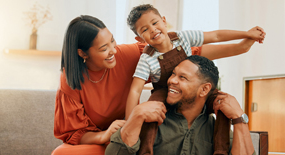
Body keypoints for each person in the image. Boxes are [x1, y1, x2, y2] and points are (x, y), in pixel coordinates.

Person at [52, 15, 259, 155]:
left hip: (131, 127)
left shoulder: (132, 54)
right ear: (82, 53)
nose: (113, 50)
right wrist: (107, 134)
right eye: (104, 48)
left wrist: (241, 47)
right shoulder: (70, 80)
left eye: (113, 41)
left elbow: (186, 55)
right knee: (62, 153)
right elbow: (73, 133)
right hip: (107, 137)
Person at [124, 4, 265, 155]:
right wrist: (130, 121)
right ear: (139, 38)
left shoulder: (182, 37)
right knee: (150, 111)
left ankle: (221, 150)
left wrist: (246, 34)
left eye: (154, 22)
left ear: (164, 21)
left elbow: (215, 36)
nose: (152, 29)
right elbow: (135, 90)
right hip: (164, 91)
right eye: (144, 29)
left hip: (192, 85)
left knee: (223, 103)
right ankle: (145, 151)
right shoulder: (147, 58)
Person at [105, 55, 255, 155]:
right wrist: (136, 115)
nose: (172, 81)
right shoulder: (150, 120)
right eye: (173, 74)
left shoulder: (217, 131)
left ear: (204, 89)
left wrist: (238, 117)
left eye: (182, 77)